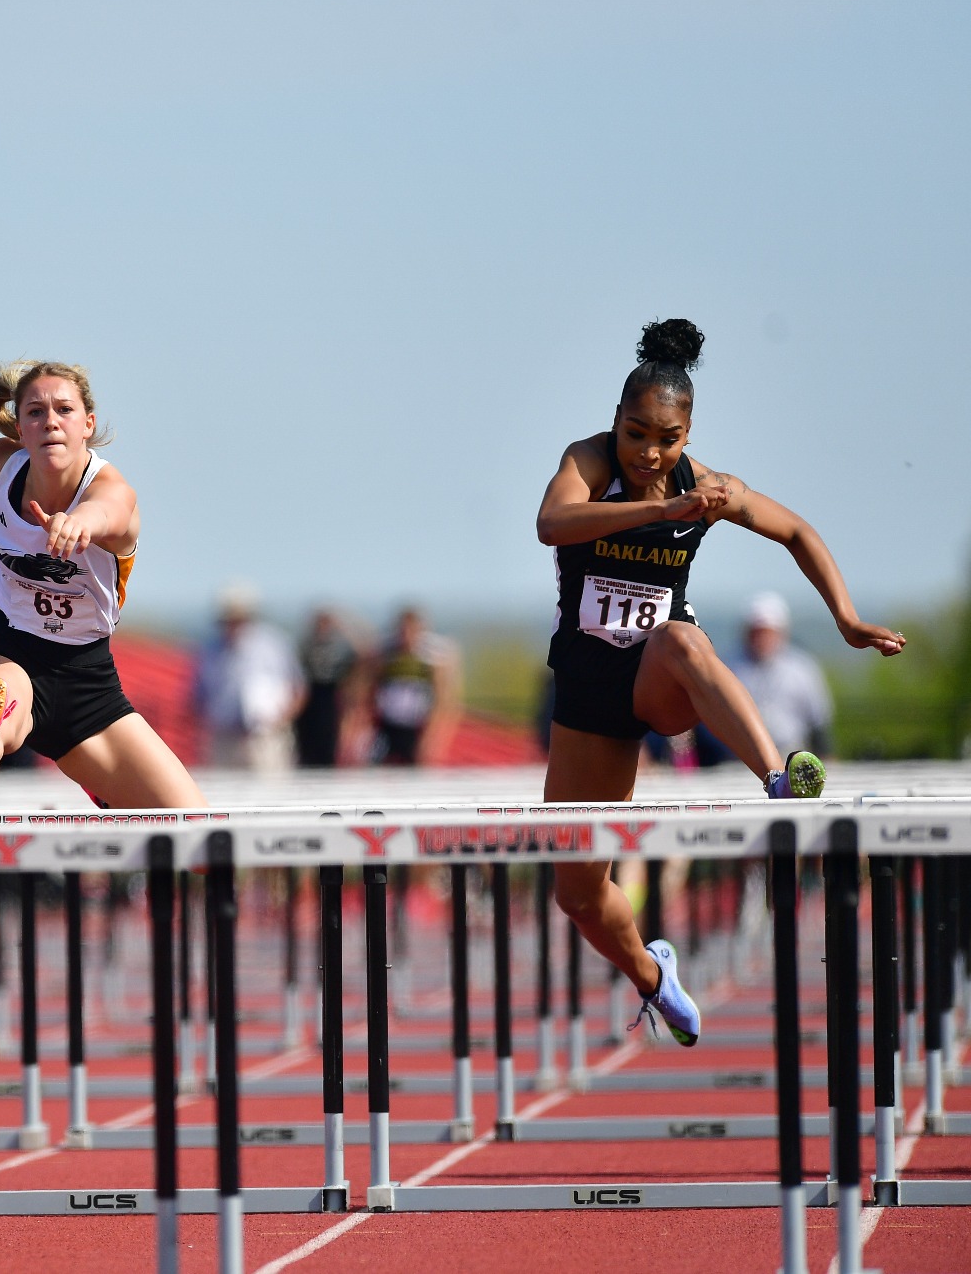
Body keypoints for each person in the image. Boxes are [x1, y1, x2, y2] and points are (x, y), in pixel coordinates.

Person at [535, 318, 903, 1047]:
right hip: (587, 690)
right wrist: (658, 511)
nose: (648, 451)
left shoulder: (706, 486)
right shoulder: (590, 460)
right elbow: (552, 522)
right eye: (637, 432)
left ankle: (776, 776)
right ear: (617, 421)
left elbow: (796, 531)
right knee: (577, 894)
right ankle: (652, 973)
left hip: (658, 679)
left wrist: (846, 617)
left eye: (665, 439)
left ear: (686, 435)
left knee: (680, 636)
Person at [0, 360, 204, 811]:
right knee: (5, 699)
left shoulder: (111, 489)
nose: (50, 422)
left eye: (64, 410)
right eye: (35, 412)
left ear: (87, 425)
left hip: (85, 679)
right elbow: (0, 534)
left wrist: (79, 522)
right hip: (6, 644)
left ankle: (98, 779)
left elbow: (112, 511)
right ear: (20, 429)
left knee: (194, 829)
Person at [191, 583, 301, 773]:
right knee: (225, 795)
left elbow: (298, 689)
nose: (232, 625)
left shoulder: (273, 644)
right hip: (224, 738)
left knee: (272, 795)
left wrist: (279, 719)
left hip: (266, 739)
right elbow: (198, 696)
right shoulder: (209, 649)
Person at [730, 592, 833, 757]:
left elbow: (818, 721)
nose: (761, 639)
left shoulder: (802, 668)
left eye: (767, 632)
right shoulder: (730, 666)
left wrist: (826, 757)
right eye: (756, 632)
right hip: (739, 756)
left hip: (791, 754)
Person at [365, 607, 462, 766]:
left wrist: (432, 738)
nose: (406, 636)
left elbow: (443, 701)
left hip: (417, 726)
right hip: (387, 724)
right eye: (403, 630)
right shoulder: (386, 656)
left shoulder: (431, 659)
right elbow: (368, 688)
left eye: (412, 630)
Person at [294, 609, 362, 768]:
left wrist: (344, 628)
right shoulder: (306, 646)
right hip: (311, 697)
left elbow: (364, 653)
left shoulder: (341, 648)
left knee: (329, 742)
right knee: (307, 745)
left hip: (332, 695)